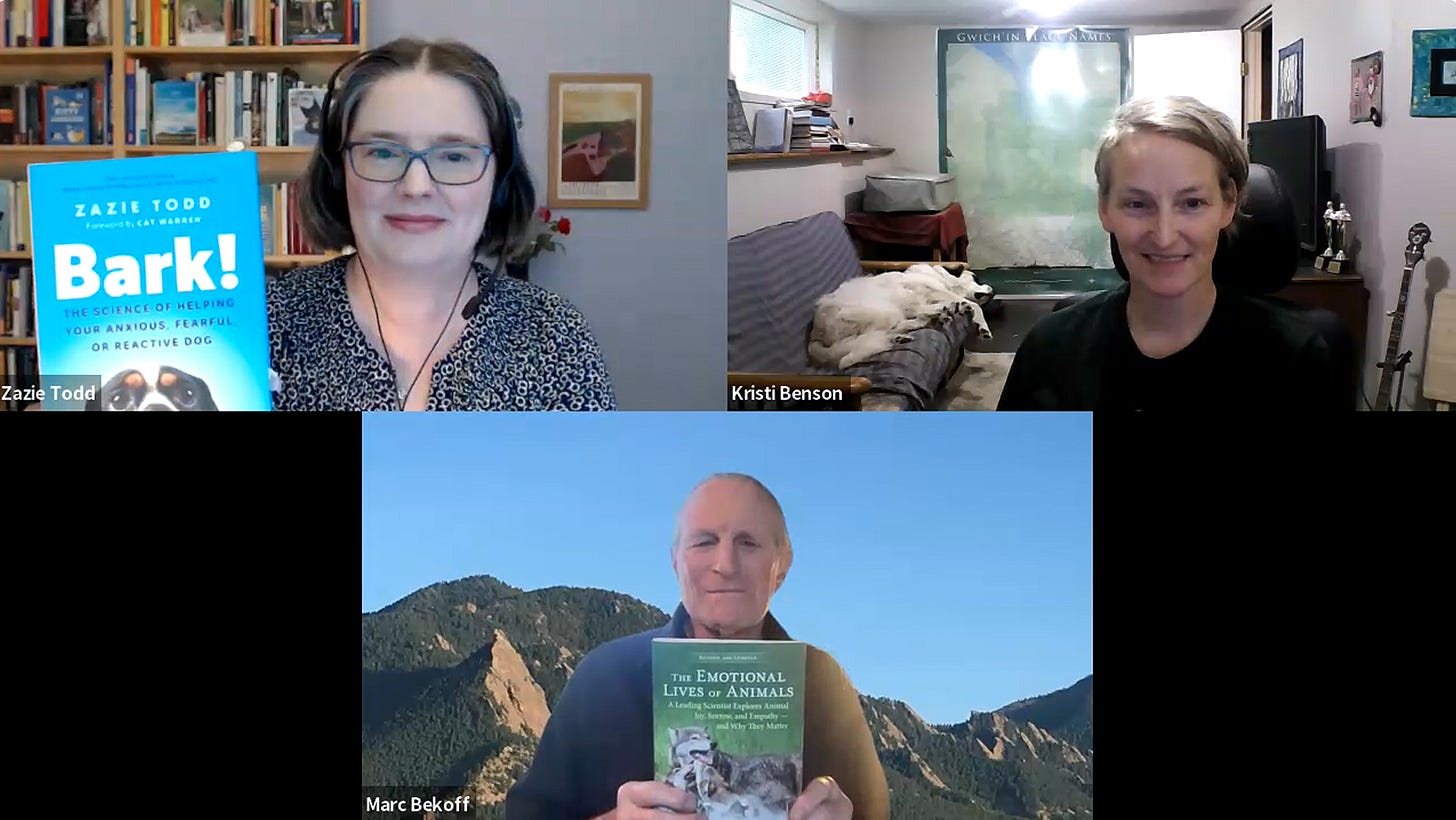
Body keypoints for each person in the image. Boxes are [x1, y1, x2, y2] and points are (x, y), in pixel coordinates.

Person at [503, 474, 889, 820]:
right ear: (676, 562)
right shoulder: (601, 676)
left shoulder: (822, 681)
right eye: (704, 542)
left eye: (748, 543)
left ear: (782, 565)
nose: (725, 563)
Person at [269, 37, 616, 411]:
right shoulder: (262, 328)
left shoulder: (556, 338)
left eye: (453, 155)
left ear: (497, 182)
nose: (416, 187)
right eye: (383, 152)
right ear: (339, 173)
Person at [996, 95, 1347, 411]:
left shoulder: (1295, 359)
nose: (1164, 237)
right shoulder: (1050, 350)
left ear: (1228, 205)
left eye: (1192, 203)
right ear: (1105, 210)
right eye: (1137, 204)